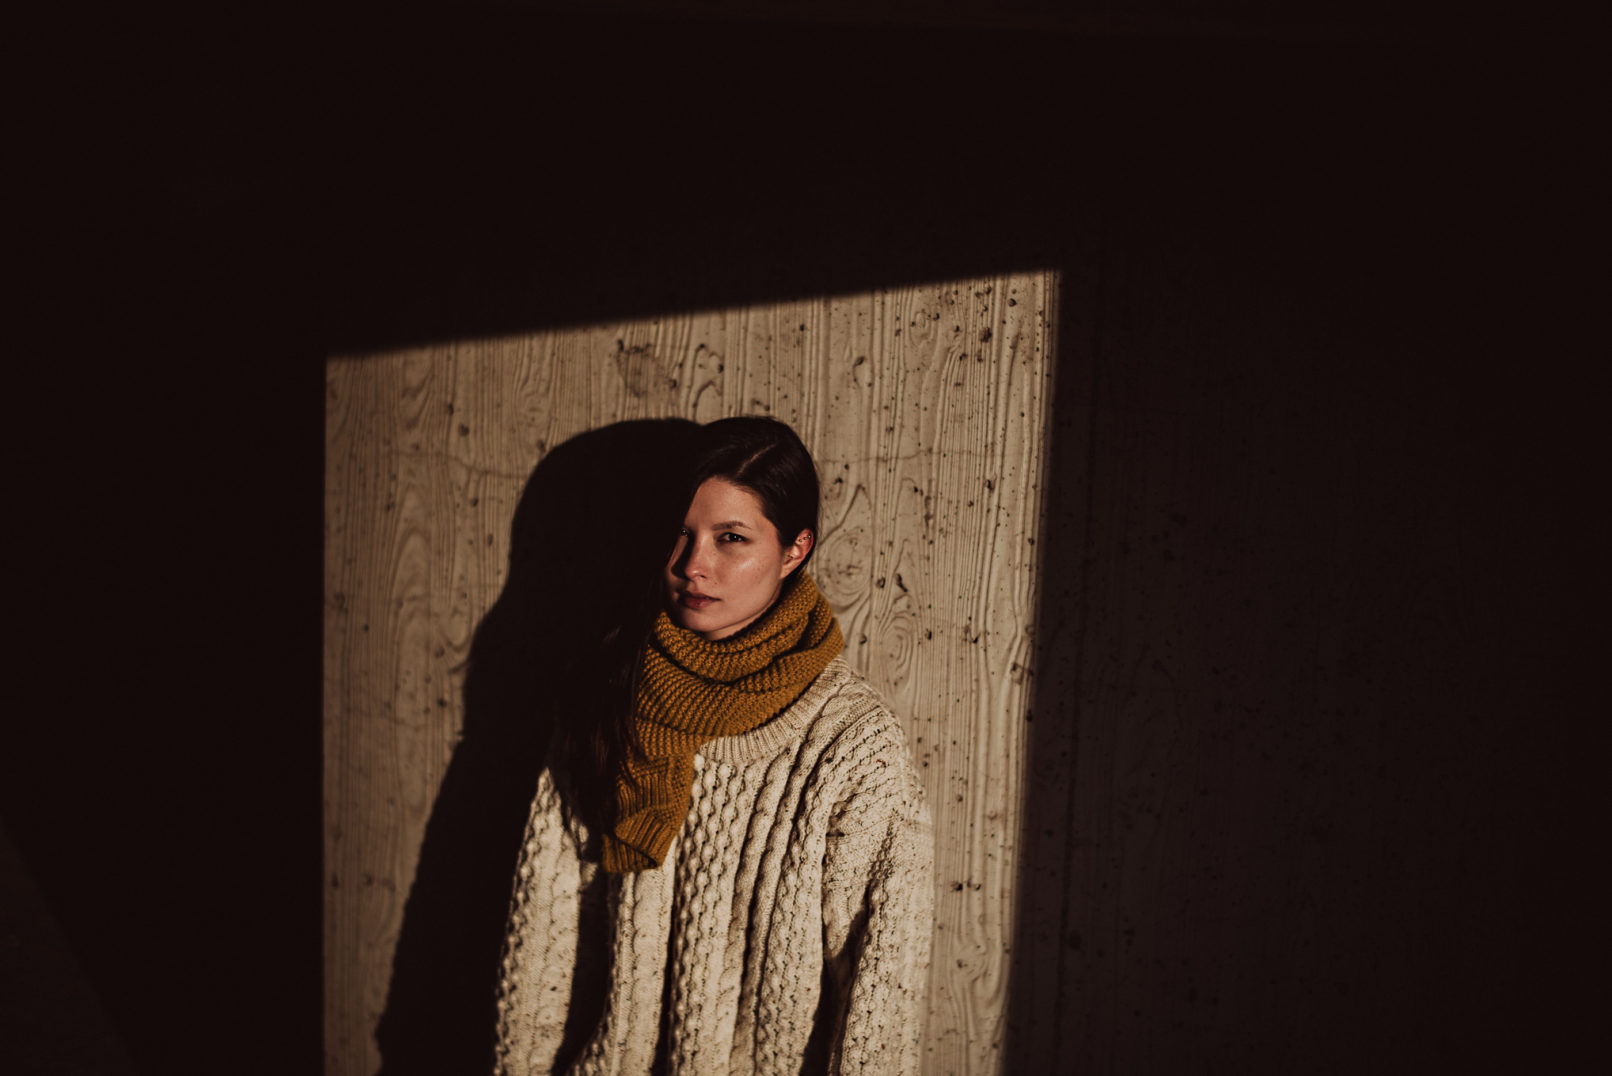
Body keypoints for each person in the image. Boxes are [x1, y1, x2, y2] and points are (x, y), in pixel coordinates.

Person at [491, 416, 934, 1075]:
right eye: (681, 532)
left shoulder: (852, 747)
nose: (693, 566)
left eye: (731, 538)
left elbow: (880, 1009)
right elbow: (543, 948)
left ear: (795, 550)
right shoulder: (609, 693)